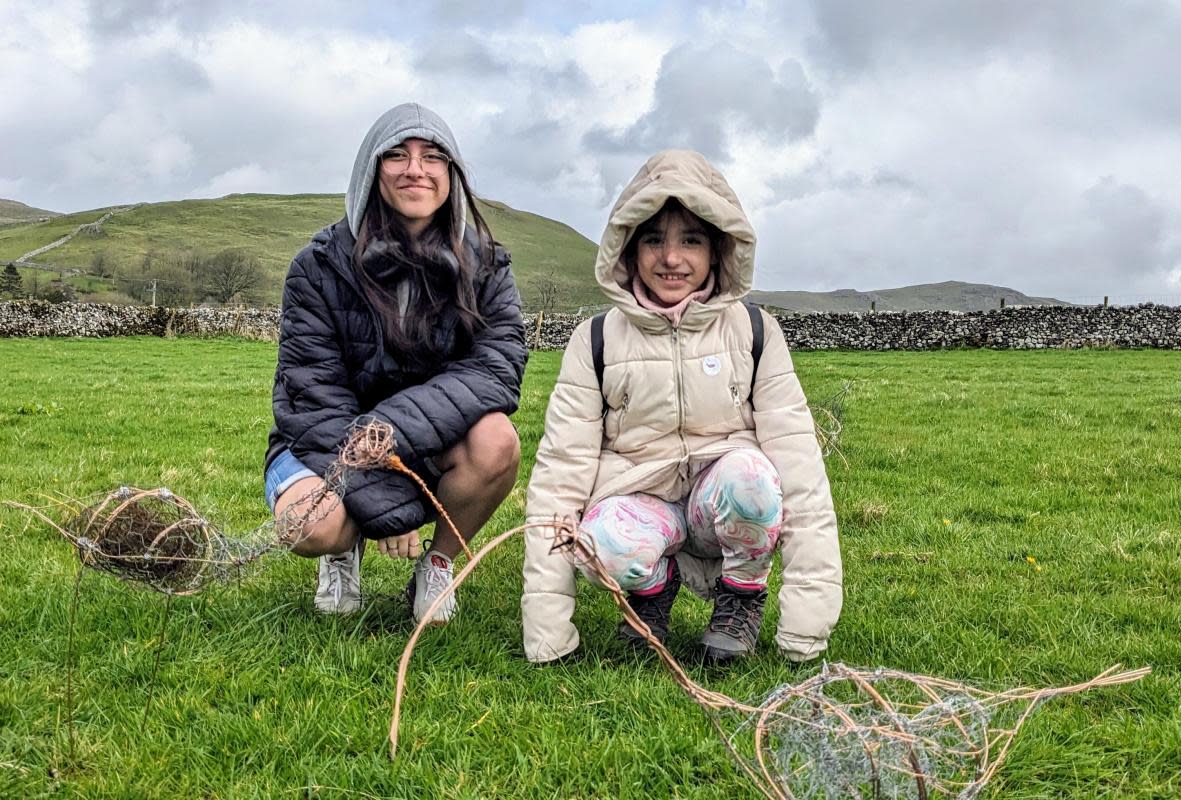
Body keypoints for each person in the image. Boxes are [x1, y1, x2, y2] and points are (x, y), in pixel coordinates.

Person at [522, 150, 841, 665]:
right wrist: (547, 634)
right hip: (641, 504)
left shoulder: (756, 332)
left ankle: (741, 598)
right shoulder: (596, 340)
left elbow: (800, 465)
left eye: (691, 239)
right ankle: (652, 595)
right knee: (601, 538)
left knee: (753, 477)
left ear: (719, 249)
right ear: (628, 249)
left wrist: (807, 624)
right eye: (654, 239)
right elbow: (561, 474)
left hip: (723, 505)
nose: (672, 258)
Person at [265, 103, 527, 622]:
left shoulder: (487, 264)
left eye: (433, 156)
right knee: (310, 524)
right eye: (396, 155)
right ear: (370, 168)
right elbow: (313, 399)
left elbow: (496, 368)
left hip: (426, 446)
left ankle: (436, 565)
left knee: (498, 441)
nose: (415, 169)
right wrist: (383, 496)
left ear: (451, 173)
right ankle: (341, 552)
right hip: (325, 443)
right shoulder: (317, 267)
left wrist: (391, 445)